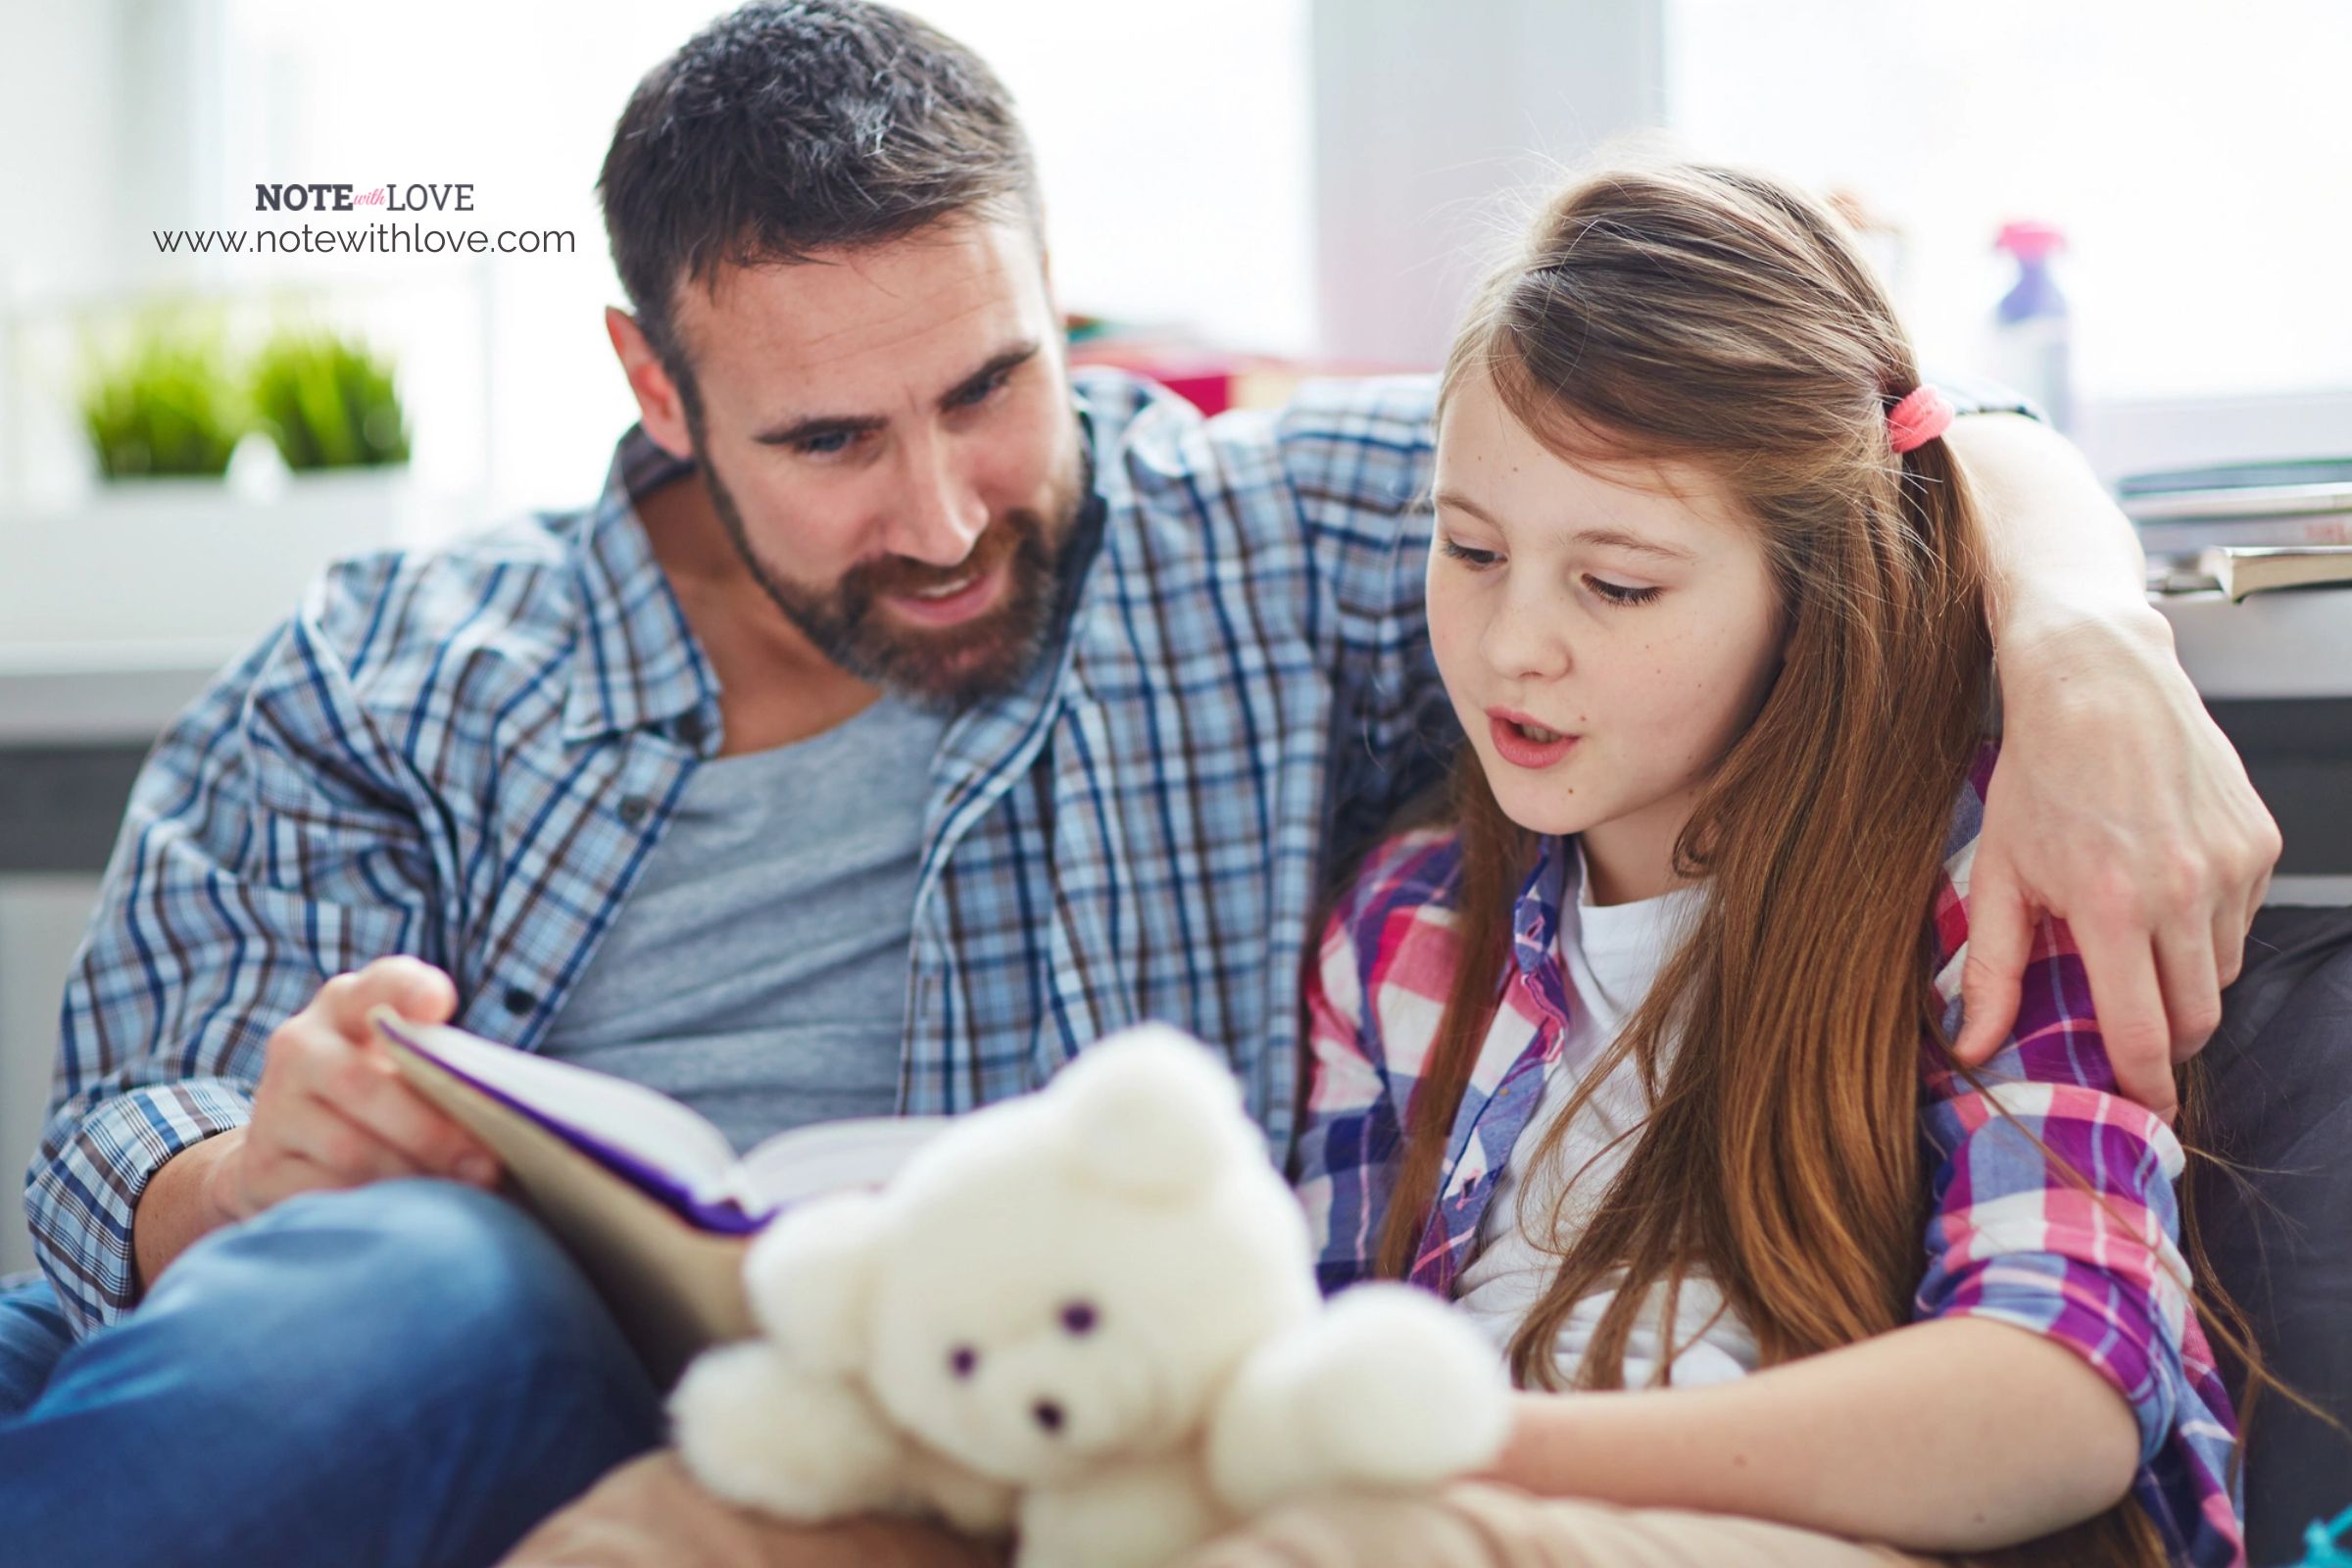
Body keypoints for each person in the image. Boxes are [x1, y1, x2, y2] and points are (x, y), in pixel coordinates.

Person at [0, 4, 2276, 1565]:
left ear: (1057, 295)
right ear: (654, 381)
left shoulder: (1281, 539)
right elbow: (115, 1140)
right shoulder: (396, 667)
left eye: (991, 384)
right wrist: (242, 1165)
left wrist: (2080, 633)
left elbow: (1831, 439)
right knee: (392, 1287)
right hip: (396, 1336)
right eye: (827, 440)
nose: (948, 509)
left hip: (988, 1417)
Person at [1237, 160, 2241, 1567]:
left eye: (1619, 584)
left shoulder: (1978, 888)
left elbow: (2065, 1388)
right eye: (1469, 549)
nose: (1516, 642)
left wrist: (1463, 1452)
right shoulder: (1403, 932)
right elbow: (1319, 1347)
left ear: (1808, 587)